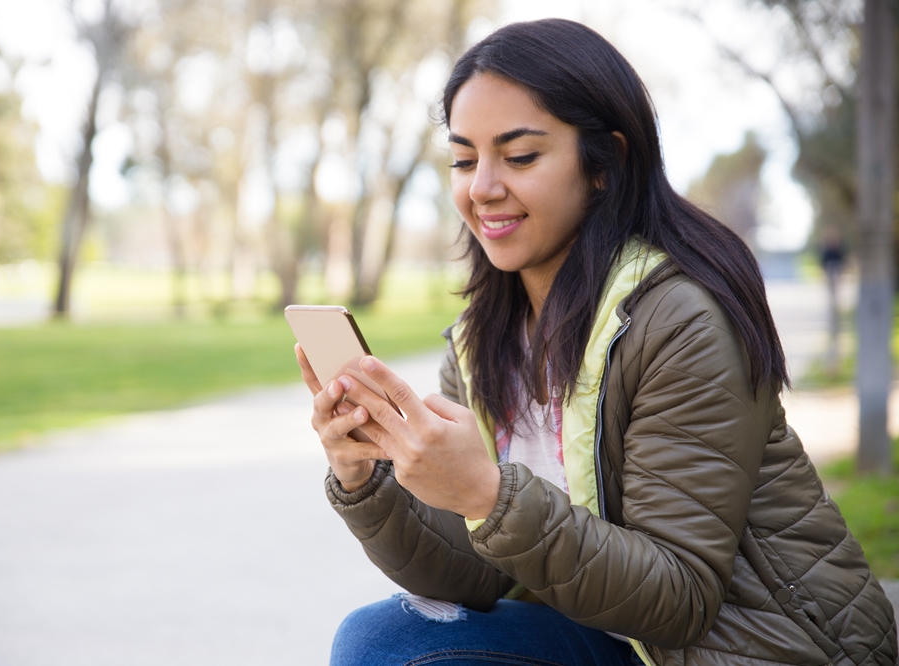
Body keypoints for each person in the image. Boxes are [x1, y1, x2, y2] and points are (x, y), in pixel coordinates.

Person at [295, 18, 898, 666]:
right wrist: (366, 480)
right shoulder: (482, 339)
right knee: (383, 639)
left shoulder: (679, 322)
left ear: (605, 164)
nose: (482, 187)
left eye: (520, 155)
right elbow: (471, 581)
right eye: (464, 159)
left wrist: (486, 493)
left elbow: (681, 598)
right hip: (610, 641)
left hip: (750, 649)